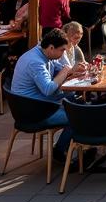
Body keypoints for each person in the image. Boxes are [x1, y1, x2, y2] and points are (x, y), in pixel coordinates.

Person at [11, 28, 80, 161]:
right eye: (62, 50)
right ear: (51, 47)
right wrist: (65, 72)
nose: (63, 54)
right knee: (78, 115)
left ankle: (81, 145)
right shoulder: (35, 62)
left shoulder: (44, 53)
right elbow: (48, 89)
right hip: (32, 112)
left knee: (76, 99)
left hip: (37, 102)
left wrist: (73, 71)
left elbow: (59, 70)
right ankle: (60, 150)